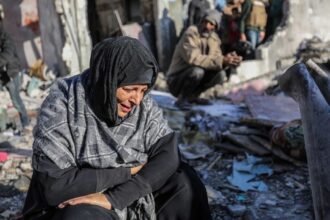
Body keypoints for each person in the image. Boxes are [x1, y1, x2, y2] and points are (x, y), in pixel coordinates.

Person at [22, 37, 212, 220]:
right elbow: (56, 186)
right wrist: (126, 172)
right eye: (129, 90)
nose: (137, 100)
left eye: (143, 90)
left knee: (185, 182)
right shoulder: (63, 105)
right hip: (82, 199)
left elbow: (168, 155)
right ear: (107, 80)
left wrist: (116, 197)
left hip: (126, 194)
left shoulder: (143, 106)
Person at [167, 9, 242, 109]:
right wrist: (222, 60)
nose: (207, 26)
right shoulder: (191, 33)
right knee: (197, 71)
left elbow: (217, 59)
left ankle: (193, 96)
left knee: (220, 74)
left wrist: (228, 61)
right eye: (205, 22)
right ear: (201, 21)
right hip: (176, 81)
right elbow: (194, 58)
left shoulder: (214, 39)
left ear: (215, 27)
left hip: (194, 76)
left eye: (211, 24)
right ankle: (182, 99)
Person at [0, 23, 30, 129]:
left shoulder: (7, 40)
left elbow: (6, 56)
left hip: (11, 74)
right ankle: (3, 124)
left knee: (16, 100)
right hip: (2, 74)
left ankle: (25, 122)